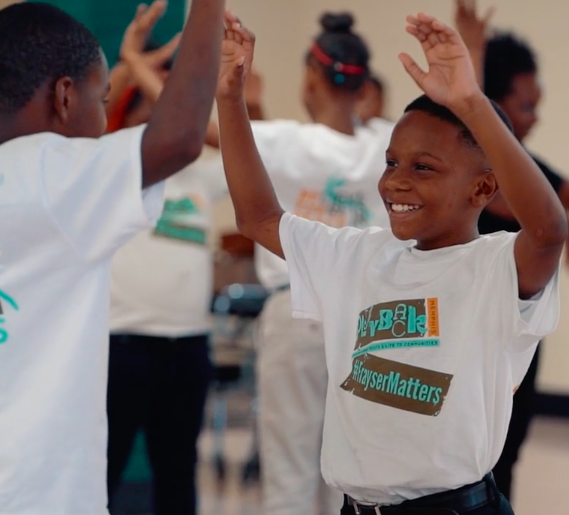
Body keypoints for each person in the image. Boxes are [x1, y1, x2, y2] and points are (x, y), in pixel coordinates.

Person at [216, 11, 565, 515]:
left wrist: (471, 101)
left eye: (423, 168)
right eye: (391, 162)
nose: (396, 182)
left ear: (483, 188)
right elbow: (257, 217)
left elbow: (549, 229)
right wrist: (230, 97)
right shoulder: (360, 254)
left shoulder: (495, 267)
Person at [0, 0, 226, 513]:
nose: (102, 116)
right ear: (65, 96)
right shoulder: (56, 179)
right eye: (101, 97)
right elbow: (180, 140)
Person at [212, 12, 393, 515]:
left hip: (295, 317)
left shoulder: (284, 141)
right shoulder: (386, 143)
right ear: (361, 84)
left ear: (311, 78)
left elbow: (203, 137)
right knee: (346, 474)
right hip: (364, 322)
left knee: (289, 471)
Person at [453, 0, 569, 500]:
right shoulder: (469, 161)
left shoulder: (524, 164)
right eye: (527, 106)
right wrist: (556, 221)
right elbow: (521, 203)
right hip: (467, 337)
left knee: (507, 452)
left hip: (516, 335)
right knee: (475, 458)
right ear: (496, 100)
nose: (535, 118)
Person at [100, 4, 230, 514]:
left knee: (178, 469)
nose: (160, 117)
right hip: (122, 343)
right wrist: (130, 61)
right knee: (104, 466)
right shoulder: (113, 162)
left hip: (187, 345)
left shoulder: (198, 171)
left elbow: (255, 154)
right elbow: (89, 118)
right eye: (146, 106)